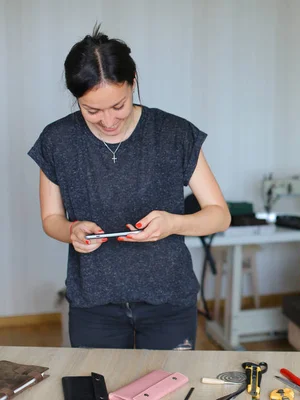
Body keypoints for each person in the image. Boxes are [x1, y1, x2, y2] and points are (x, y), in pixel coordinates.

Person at [27, 25, 231, 350]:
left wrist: (174, 223)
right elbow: (51, 218)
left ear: (133, 81)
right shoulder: (58, 141)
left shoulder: (174, 134)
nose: (108, 121)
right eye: (91, 110)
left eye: (118, 106)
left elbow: (220, 216)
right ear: (75, 97)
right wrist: (72, 230)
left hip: (169, 301)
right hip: (93, 304)